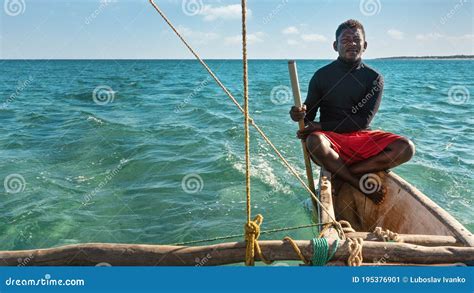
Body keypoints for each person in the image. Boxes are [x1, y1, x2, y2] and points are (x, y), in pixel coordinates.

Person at [289, 19, 415, 205]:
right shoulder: (321, 76)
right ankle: (356, 181)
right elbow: (309, 116)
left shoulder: (374, 78)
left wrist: (319, 125)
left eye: (357, 40)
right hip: (330, 142)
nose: (352, 44)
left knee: (406, 148)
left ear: (365, 46)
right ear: (335, 45)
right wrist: (298, 114)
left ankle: (342, 175)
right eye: (346, 40)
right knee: (314, 140)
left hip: (361, 138)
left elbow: (362, 121)